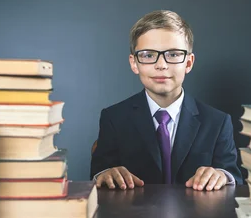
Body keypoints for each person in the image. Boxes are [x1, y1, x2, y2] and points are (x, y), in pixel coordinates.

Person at [90, 10, 242, 191]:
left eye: (173, 54)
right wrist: (105, 173)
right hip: (132, 216)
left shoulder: (217, 122)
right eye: (147, 55)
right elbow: (98, 174)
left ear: (188, 63)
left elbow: (235, 178)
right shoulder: (113, 118)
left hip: (197, 216)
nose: (161, 65)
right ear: (134, 63)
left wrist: (223, 175)